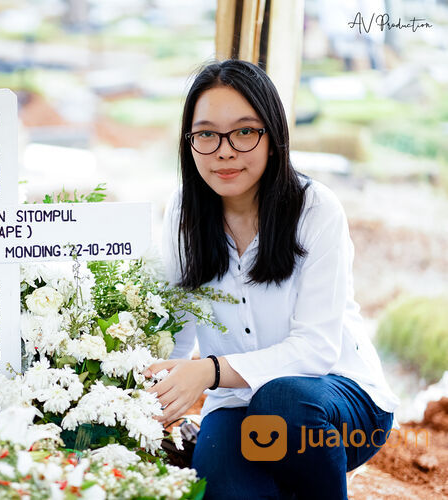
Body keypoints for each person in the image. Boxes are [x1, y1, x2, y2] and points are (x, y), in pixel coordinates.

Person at [142, 59, 399, 500]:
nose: (224, 150)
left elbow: (316, 350)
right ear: (189, 143)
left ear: (273, 137)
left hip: (335, 402)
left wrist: (209, 371)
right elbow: (176, 331)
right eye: (206, 134)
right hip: (236, 408)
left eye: (244, 132)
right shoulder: (183, 211)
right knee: (222, 484)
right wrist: (146, 391)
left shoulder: (315, 209)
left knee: (281, 402)